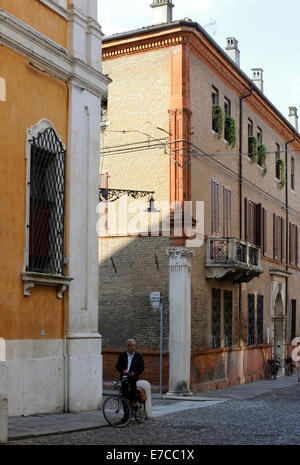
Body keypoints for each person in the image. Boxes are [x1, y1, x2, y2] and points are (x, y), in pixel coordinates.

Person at [116, 338, 144, 409]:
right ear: (127, 346)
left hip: (133, 376)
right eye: (131, 345)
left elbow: (141, 367)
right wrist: (123, 371)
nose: (133, 347)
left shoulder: (138, 355)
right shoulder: (123, 355)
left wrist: (135, 373)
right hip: (124, 376)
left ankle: (134, 401)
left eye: (134, 345)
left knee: (132, 386)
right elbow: (118, 366)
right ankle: (126, 415)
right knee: (124, 395)